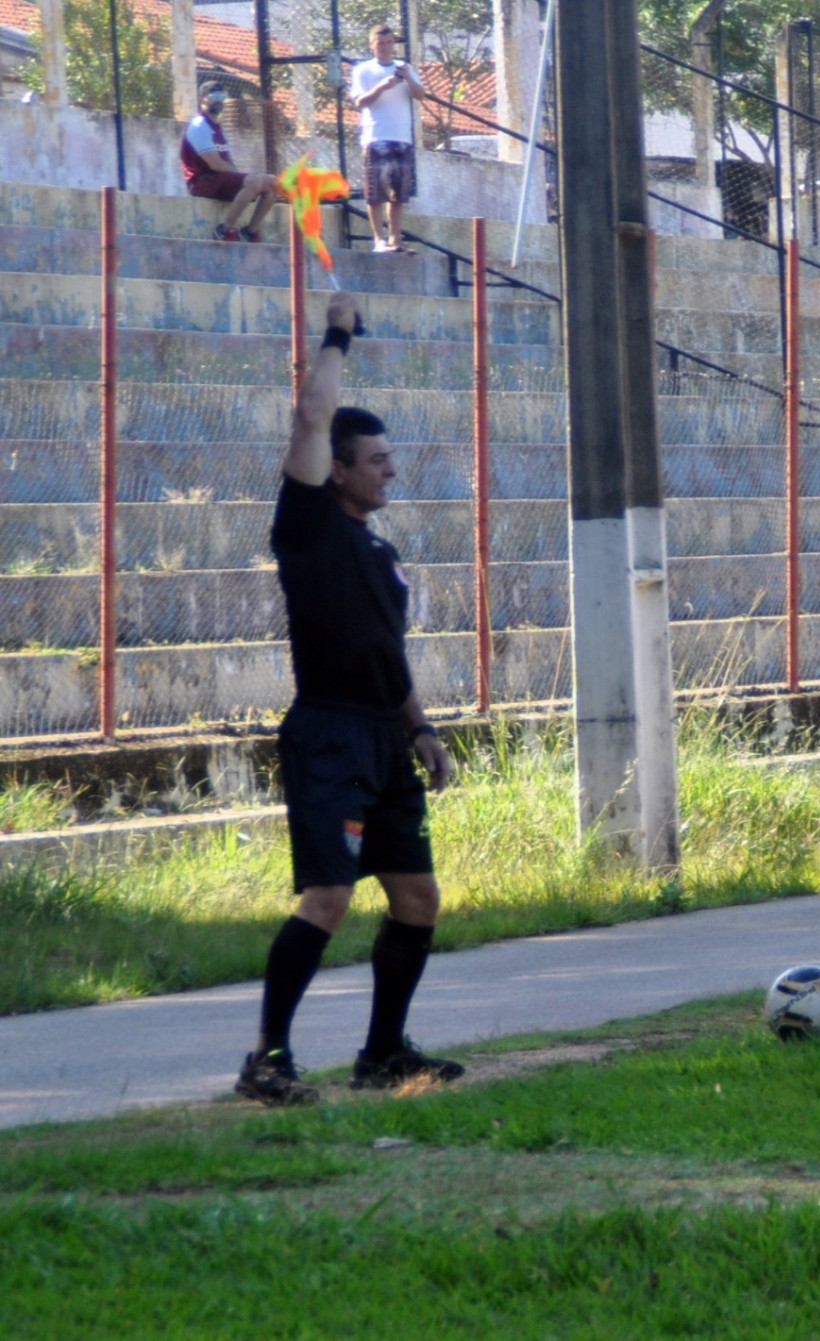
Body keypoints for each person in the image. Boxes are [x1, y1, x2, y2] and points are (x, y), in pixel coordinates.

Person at [233, 287, 465, 1107]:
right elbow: (309, 416)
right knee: (327, 897)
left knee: (416, 896)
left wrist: (423, 729)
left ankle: (382, 1053)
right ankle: (267, 1058)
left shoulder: (378, 547)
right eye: (375, 458)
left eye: (388, 456)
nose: (390, 467)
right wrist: (337, 333)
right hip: (327, 734)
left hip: (383, 736)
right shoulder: (307, 526)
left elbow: (385, 651)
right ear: (336, 469)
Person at [349, 24, 426, 253]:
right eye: (380, 43)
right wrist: (382, 86)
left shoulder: (405, 67)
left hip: (401, 138)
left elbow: (420, 95)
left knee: (398, 194)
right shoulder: (363, 70)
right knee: (375, 192)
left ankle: (395, 239)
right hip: (376, 137)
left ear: (394, 44)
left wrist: (407, 79)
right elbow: (360, 102)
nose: (385, 47)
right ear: (372, 45)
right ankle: (378, 239)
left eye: (389, 43)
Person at [179, 85, 278, 243]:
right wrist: (247, 179)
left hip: (219, 180)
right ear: (201, 100)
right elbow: (215, 164)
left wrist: (246, 180)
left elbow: (228, 161)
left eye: (222, 97)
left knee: (273, 184)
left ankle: (250, 231)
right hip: (201, 182)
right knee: (254, 181)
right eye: (213, 97)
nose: (219, 101)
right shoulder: (199, 125)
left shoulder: (219, 128)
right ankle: (225, 229)